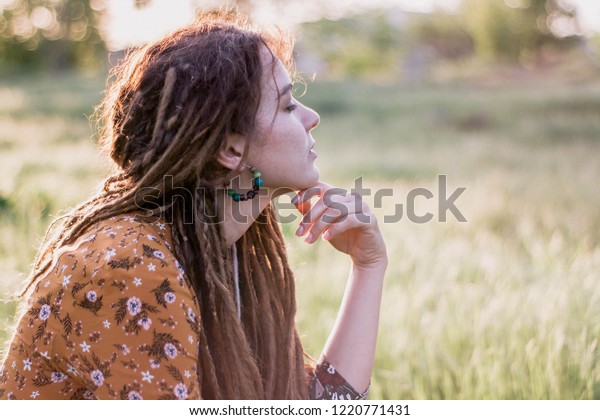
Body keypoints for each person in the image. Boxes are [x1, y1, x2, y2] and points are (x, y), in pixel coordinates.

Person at [0, 10, 387, 400]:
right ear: (231, 148)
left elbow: (323, 405)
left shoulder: (228, 257)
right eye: (287, 106)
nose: (313, 117)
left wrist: (368, 265)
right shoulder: (133, 269)